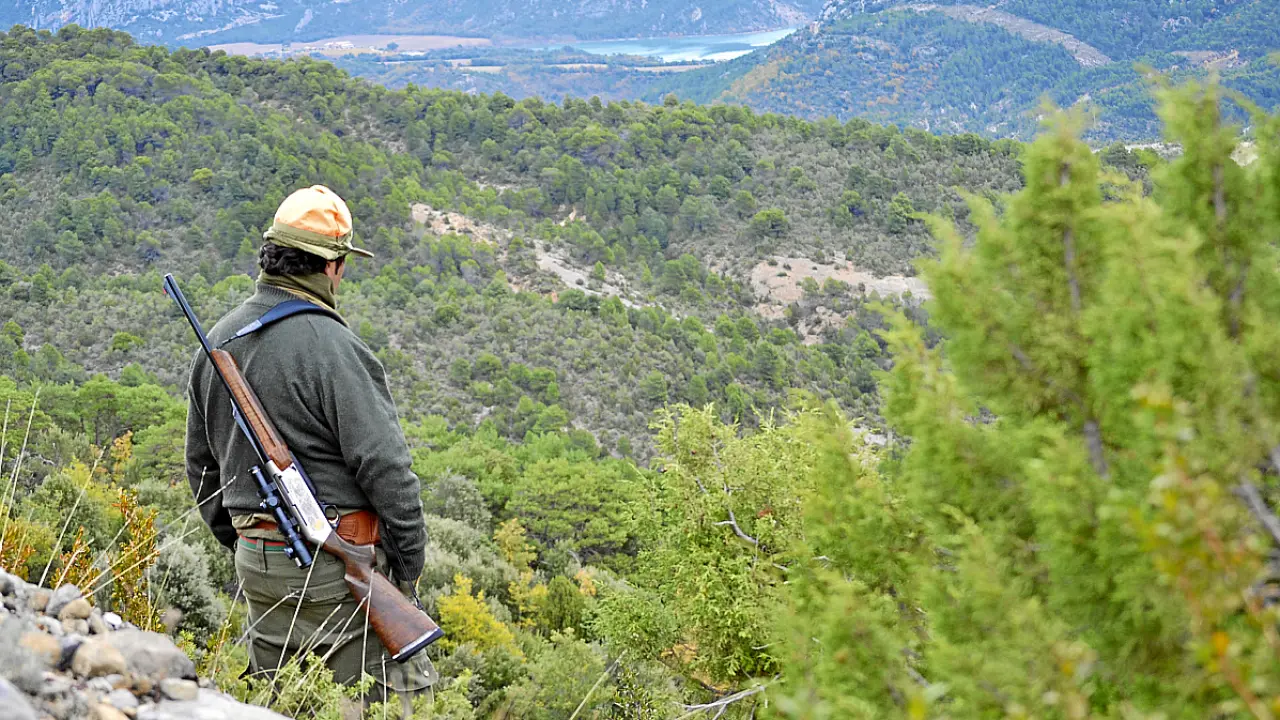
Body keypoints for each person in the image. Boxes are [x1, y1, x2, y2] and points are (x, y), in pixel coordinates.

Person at [184, 185, 436, 705]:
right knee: (392, 700)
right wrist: (405, 569)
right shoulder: (335, 347)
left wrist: (248, 544)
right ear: (332, 266)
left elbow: (203, 472)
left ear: (271, 254)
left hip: (257, 568)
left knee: (280, 702)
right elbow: (387, 469)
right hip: (335, 576)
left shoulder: (218, 342)